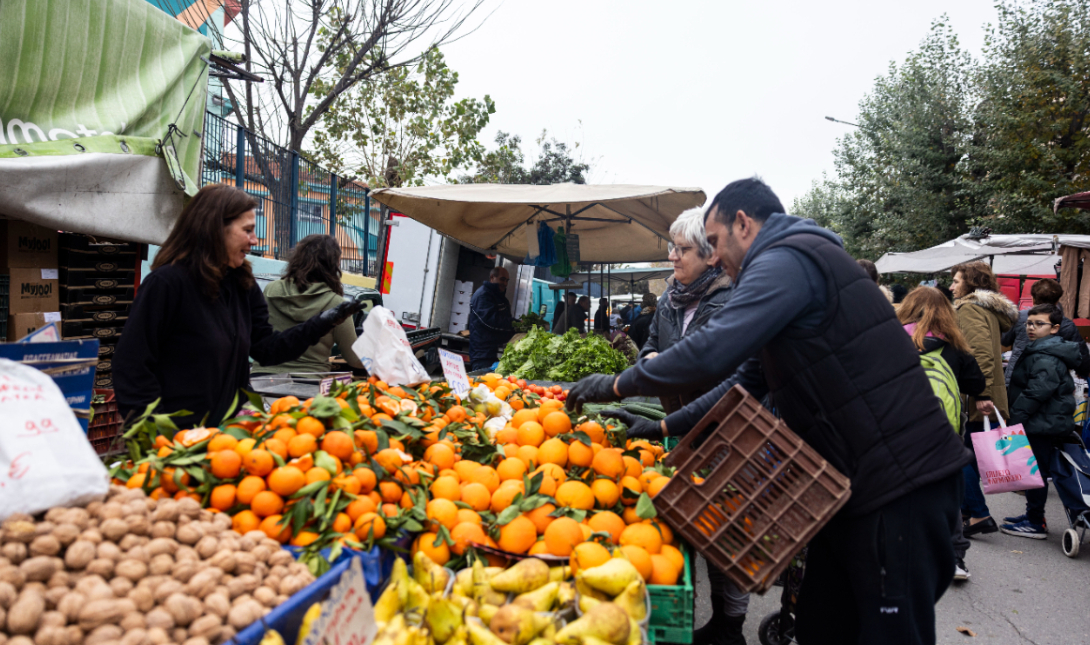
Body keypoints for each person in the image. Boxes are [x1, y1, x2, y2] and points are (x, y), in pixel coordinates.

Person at [565, 177, 968, 645]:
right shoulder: (788, 267)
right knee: (821, 624)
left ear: (744, 223)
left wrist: (615, 385)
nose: (712, 257)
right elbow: (743, 383)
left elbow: (711, 352)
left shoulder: (789, 258)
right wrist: (662, 426)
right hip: (852, 487)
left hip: (901, 485)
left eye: (713, 243)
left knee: (884, 633)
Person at [114, 185, 364, 427]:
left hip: (227, 435)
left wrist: (321, 323)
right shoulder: (166, 284)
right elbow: (132, 364)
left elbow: (267, 349)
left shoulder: (242, 286)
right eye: (247, 230)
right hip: (176, 440)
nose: (255, 240)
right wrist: (151, 431)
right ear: (215, 229)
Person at [615, 207, 744, 643]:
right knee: (702, 523)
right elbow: (650, 347)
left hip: (722, 426)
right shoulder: (671, 298)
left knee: (725, 527)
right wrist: (648, 361)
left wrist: (656, 367)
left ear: (710, 256)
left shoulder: (727, 300)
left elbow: (702, 362)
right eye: (673, 247)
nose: (673, 257)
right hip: (681, 422)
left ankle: (732, 625)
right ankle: (721, 621)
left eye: (683, 249)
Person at [897, 287, 987, 582]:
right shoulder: (956, 347)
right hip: (943, 435)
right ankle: (955, 559)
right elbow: (975, 384)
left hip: (898, 431)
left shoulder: (892, 340)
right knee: (946, 494)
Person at [1000, 303, 1081, 539]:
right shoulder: (1042, 349)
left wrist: (1015, 418)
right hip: (1041, 420)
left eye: (1039, 324)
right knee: (1034, 471)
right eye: (1029, 323)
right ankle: (1033, 515)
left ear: (1055, 328)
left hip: (1041, 422)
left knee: (1036, 473)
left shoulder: (1047, 356)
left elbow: (1036, 392)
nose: (1031, 328)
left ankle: (1035, 522)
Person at [951, 261, 1019, 538]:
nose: (952, 286)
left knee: (962, 456)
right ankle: (970, 512)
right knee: (973, 453)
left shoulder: (969, 308)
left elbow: (979, 354)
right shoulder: (987, 309)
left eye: (956, 281)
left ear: (970, 283)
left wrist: (981, 393)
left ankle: (979, 514)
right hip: (986, 393)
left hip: (978, 396)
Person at [252, 234, 364, 375]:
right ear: (333, 265)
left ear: (297, 258)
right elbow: (355, 360)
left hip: (261, 379)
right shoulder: (336, 305)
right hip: (309, 385)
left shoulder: (270, 290)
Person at [1001, 278, 1090, 386]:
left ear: (1033, 299)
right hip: (1050, 383)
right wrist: (1082, 372)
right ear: (1057, 301)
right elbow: (1082, 359)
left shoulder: (1018, 317)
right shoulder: (1066, 325)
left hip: (1016, 379)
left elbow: (1004, 340)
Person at [468, 267, 516, 371]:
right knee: (482, 385)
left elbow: (505, 319)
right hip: (482, 355)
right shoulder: (482, 295)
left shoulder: (501, 298)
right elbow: (491, 321)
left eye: (507, 280)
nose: (505, 283)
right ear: (492, 277)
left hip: (494, 352)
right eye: (502, 279)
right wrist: (516, 325)